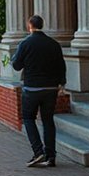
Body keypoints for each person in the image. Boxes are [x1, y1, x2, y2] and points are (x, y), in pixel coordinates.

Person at [11, 14, 67, 167]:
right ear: (41, 25)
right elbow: (61, 65)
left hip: (32, 88)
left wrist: (14, 58)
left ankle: (38, 152)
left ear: (30, 26)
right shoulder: (54, 44)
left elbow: (16, 65)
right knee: (48, 121)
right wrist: (62, 83)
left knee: (28, 118)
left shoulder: (25, 43)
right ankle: (51, 156)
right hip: (51, 88)